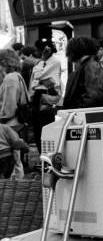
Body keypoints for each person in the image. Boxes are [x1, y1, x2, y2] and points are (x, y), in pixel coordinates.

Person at [0, 49, 30, 179]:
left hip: (11, 124)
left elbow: (9, 106)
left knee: (14, 162)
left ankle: (13, 188)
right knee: (16, 161)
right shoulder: (17, 76)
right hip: (17, 122)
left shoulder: (9, 78)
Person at [29, 38, 62, 154]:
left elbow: (39, 76)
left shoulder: (54, 62)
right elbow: (34, 82)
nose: (37, 52)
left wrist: (40, 80)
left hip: (47, 97)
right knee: (37, 130)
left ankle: (48, 159)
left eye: (39, 50)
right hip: (38, 97)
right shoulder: (40, 63)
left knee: (46, 130)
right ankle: (42, 158)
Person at [63, 37, 103, 109]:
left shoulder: (91, 66)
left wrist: (78, 110)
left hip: (85, 115)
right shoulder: (89, 64)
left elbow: (93, 96)